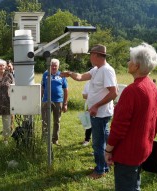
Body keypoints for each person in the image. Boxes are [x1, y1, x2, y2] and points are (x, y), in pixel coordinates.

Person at [105, 43, 157, 190]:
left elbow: (118, 127)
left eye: (130, 60)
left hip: (127, 153)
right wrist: (146, 140)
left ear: (136, 66)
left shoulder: (132, 91)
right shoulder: (153, 87)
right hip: (144, 150)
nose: (128, 63)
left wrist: (108, 150)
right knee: (134, 184)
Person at [60, 44, 118, 179]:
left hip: (100, 113)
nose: (90, 57)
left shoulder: (107, 70)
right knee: (104, 138)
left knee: (98, 143)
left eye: (91, 55)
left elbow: (114, 93)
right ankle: (107, 164)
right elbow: (81, 77)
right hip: (97, 112)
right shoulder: (96, 69)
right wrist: (70, 73)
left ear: (97, 55)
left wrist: (96, 106)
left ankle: (100, 170)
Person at [41, 58, 68, 146]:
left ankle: (55, 140)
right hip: (46, 101)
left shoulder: (61, 75)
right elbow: (42, 88)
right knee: (45, 121)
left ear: (58, 66)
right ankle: (45, 140)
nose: (53, 67)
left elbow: (66, 90)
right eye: (52, 65)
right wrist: (40, 100)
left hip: (58, 101)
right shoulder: (45, 74)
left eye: (55, 66)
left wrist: (65, 103)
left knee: (57, 121)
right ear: (49, 66)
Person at [82, 81, 92, 146]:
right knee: (87, 124)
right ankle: (87, 139)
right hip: (88, 105)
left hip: (99, 107)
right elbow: (84, 95)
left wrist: (90, 95)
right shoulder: (88, 83)